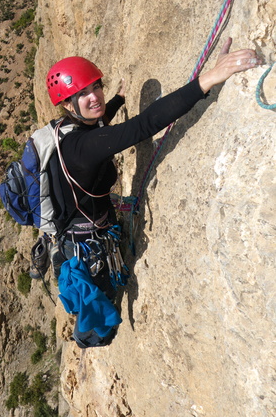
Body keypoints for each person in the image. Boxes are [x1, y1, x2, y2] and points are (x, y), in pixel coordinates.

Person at [46, 38, 262, 348]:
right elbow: (144, 125)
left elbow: (100, 121)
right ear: (67, 104)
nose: (94, 97)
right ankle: (86, 338)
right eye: (82, 94)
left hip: (76, 234)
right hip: (87, 250)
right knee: (102, 314)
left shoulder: (66, 129)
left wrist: (119, 99)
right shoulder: (83, 147)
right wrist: (210, 78)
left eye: (96, 87)